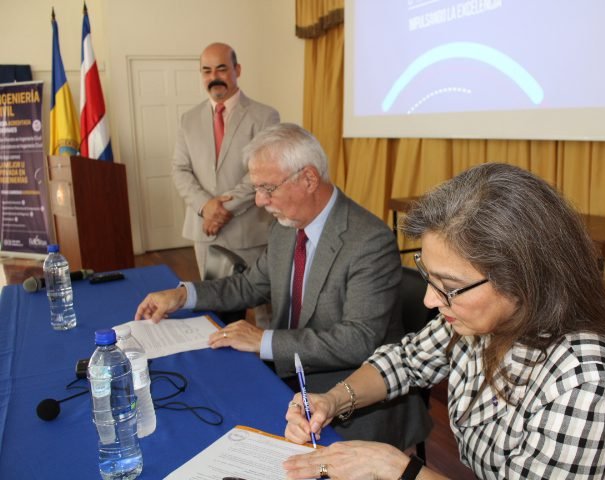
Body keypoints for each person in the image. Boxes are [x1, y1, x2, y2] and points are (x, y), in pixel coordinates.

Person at [283, 163, 605, 480]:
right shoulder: (479, 317)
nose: (431, 300)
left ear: (524, 281)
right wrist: (331, 400)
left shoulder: (587, 380)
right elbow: (406, 361)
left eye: (449, 286)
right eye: (429, 276)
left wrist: (398, 468)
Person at [136, 123, 431, 448]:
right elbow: (249, 285)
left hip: (350, 393)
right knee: (202, 412)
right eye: (256, 188)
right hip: (288, 373)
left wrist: (263, 340)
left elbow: (357, 341)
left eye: (267, 188)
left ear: (307, 179)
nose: (260, 201)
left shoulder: (368, 241)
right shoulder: (286, 227)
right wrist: (183, 295)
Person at [173, 42, 280, 280]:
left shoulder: (265, 116)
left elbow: (265, 171)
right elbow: (180, 170)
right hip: (203, 230)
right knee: (214, 302)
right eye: (207, 70)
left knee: (262, 307)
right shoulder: (187, 119)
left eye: (221, 69)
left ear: (237, 70)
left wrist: (222, 210)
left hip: (249, 231)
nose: (214, 77)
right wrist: (205, 206)